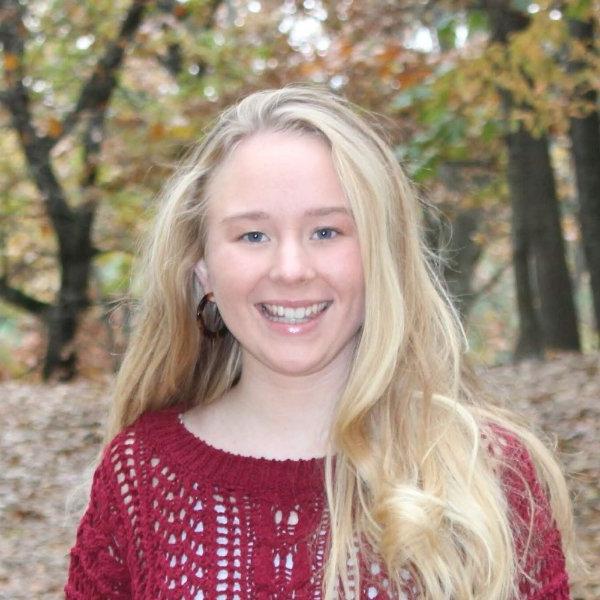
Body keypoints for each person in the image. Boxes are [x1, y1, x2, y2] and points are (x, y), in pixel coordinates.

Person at [64, 85, 574, 599]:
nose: (291, 271)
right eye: (253, 236)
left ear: (381, 253)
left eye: (327, 232)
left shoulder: (487, 475)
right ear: (204, 270)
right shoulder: (141, 476)